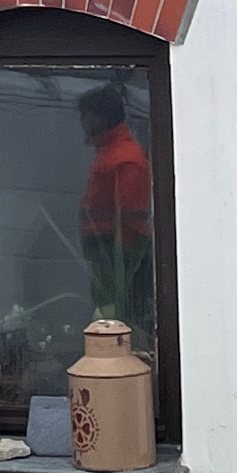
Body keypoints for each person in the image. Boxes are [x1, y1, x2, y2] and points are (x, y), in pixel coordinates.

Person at [78, 83, 154, 329]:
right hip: (107, 257)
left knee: (116, 320)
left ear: (101, 118)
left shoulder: (124, 158)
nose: (82, 122)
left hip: (118, 261)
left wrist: (123, 265)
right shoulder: (111, 153)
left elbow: (132, 220)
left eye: (86, 115)